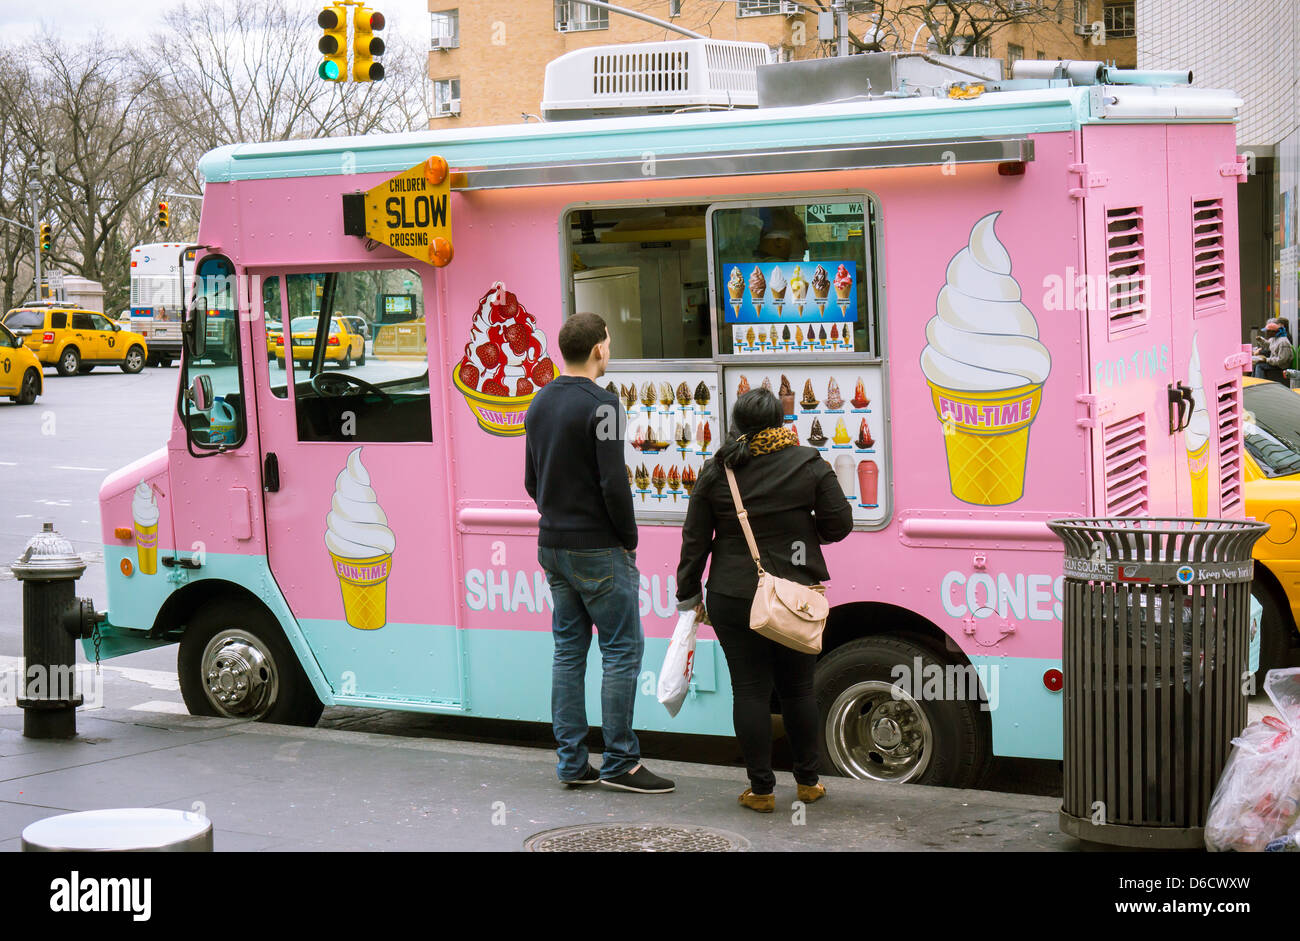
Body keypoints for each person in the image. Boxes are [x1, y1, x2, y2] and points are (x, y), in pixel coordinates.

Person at [675, 388, 853, 812]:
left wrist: (688, 594)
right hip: (795, 595)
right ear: (781, 420)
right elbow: (840, 523)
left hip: (734, 593)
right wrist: (808, 536)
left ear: (737, 423)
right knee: (797, 689)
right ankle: (808, 783)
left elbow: (695, 539)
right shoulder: (808, 463)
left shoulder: (719, 470)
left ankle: (761, 790)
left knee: (750, 690)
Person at [524, 311, 674, 794]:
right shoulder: (606, 405)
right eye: (608, 343)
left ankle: (571, 763)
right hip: (598, 549)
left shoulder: (539, 401)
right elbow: (615, 483)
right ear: (598, 350)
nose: (609, 351)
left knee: (568, 653)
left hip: (552, 545)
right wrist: (627, 538)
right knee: (622, 652)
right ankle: (620, 762)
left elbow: (531, 479)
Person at [1253, 318, 1293, 383]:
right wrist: (1261, 340)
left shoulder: (1283, 342)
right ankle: (1254, 382)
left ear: (1273, 332)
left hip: (1281, 366)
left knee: (1259, 366)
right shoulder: (1274, 339)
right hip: (1275, 362)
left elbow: (1282, 360)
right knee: (1257, 363)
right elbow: (1268, 345)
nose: (1266, 333)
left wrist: (1267, 360)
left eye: (1268, 331)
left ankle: (1259, 383)